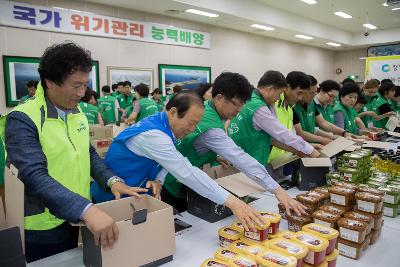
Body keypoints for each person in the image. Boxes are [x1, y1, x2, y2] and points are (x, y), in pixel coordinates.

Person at [0, 42, 148, 262]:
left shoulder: (75, 111)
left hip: (75, 215)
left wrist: (113, 181)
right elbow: (33, 175)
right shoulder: (22, 118)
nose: (82, 93)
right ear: (49, 82)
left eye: (85, 85)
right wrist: (87, 210)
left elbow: (87, 154)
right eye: (75, 85)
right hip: (43, 224)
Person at [90, 91, 270, 231]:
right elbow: (186, 171)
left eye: (196, 124)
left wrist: (158, 179)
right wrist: (233, 202)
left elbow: (166, 161)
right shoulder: (155, 135)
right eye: (190, 123)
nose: (192, 130)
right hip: (113, 199)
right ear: (173, 112)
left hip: (135, 196)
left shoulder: (163, 124)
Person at [162, 71, 311, 216]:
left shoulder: (207, 107)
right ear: (219, 98)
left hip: (183, 177)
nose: (239, 111)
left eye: (243, 105)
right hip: (174, 183)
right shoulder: (211, 127)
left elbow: (195, 141)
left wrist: (213, 154)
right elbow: (240, 158)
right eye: (236, 104)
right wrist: (278, 191)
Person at [294, 76, 357, 145]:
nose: (332, 99)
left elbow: (323, 123)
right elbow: (299, 132)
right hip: (301, 145)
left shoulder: (312, 104)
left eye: (334, 97)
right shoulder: (294, 106)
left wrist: (344, 133)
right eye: (331, 96)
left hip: (312, 145)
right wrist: (324, 139)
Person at [268, 71, 312, 162]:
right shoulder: (273, 104)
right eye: (299, 93)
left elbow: (291, 134)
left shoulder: (290, 108)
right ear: (287, 87)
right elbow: (271, 138)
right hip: (266, 162)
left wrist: (307, 146)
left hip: (280, 161)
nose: (300, 98)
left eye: (303, 94)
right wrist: (301, 150)